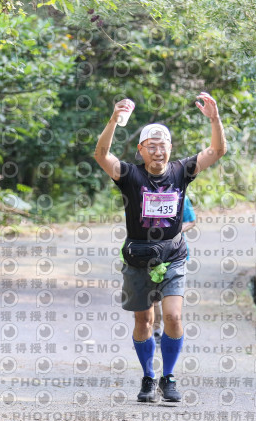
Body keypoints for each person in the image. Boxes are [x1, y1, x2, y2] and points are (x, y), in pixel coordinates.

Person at [93, 92, 227, 403]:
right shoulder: (130, 175)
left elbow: (217, 150)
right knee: (144, 321)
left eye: (162, 145)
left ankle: (168, 377)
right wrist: (114, 120)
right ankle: (148, 377)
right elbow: (101, 155)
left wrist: (215, 119)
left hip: (173, 256)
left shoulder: (181, 171)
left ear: (170, 149)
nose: (157, 151)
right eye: (151, 146)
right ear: (141, 150)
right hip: (138, 258)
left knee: (174, 317)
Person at [153, 197, 196, 345]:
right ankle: (156, 331)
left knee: (170, 301)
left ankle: (169, 333)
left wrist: (174, 231)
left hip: (175, 255)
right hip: (149, 255)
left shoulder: (180, 196)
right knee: (153, 299)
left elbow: (191, 221)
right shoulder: (142, 193)